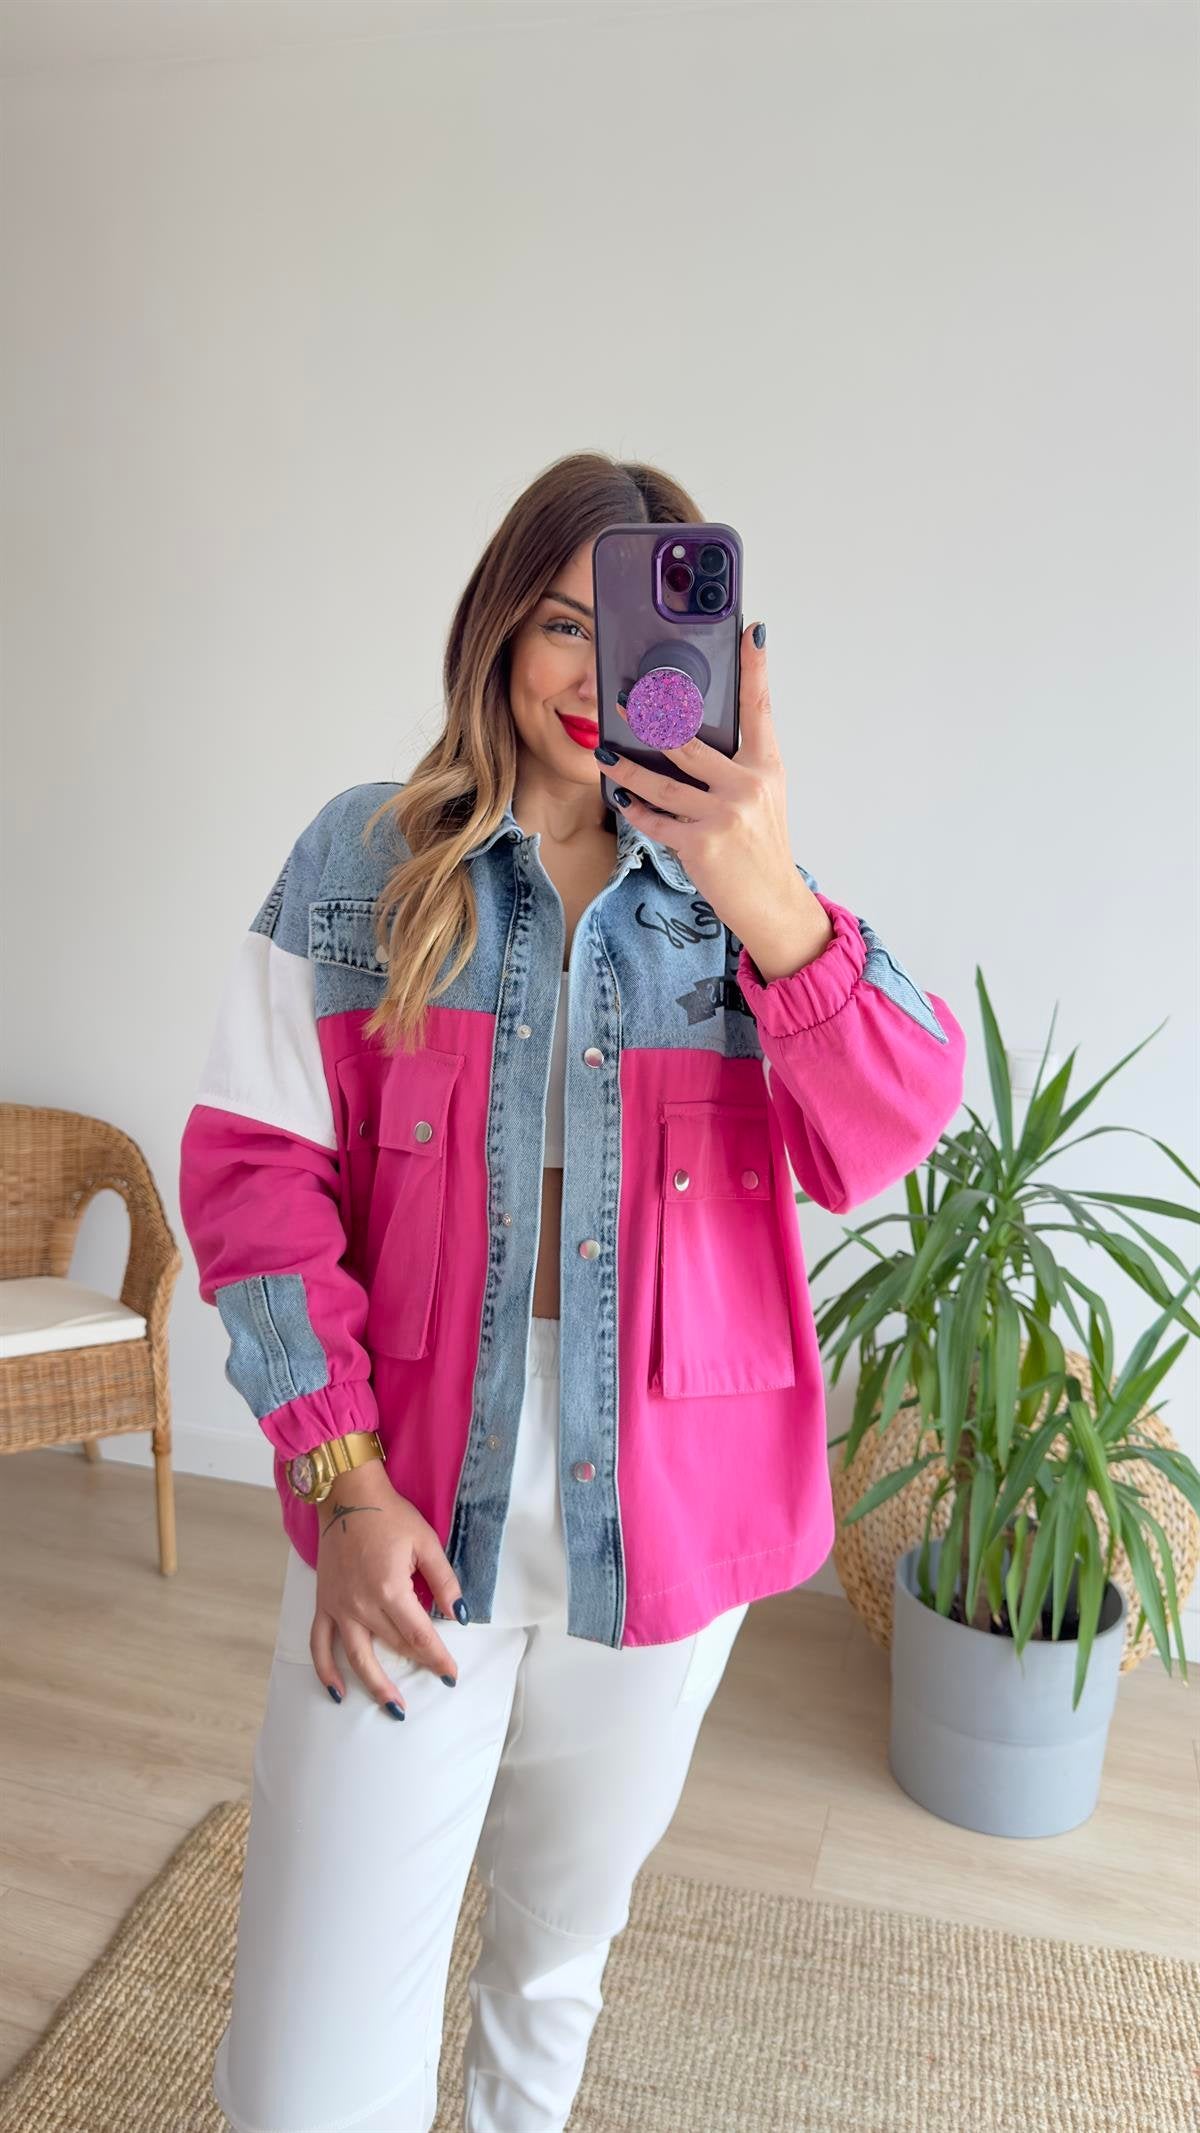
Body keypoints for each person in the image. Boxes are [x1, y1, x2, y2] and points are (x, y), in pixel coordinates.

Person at [178, 449, 965, 2133]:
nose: (597, 675)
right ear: (496, 628)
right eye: (562, 623)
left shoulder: (749, 911)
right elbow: (254, 1187)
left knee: (551, 1957)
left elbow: (891, 1129)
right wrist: (342, 1476)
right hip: (407, 1502)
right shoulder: (360, 863)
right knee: (307, 2085)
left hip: (668, 1533)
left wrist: (763, 879)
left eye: (642, 639)